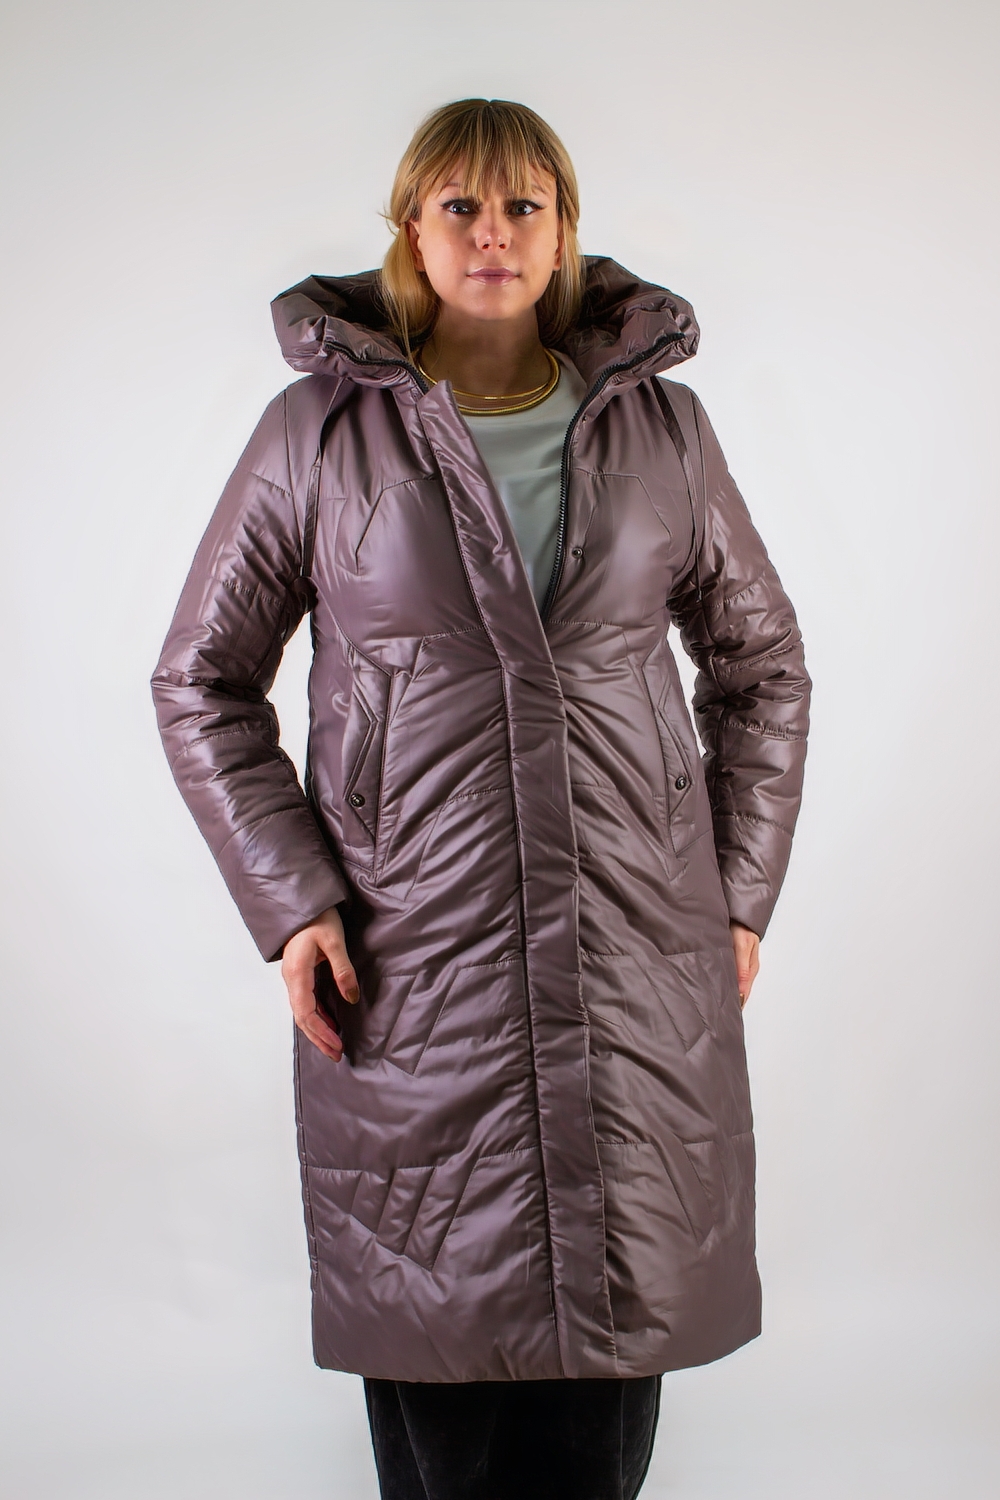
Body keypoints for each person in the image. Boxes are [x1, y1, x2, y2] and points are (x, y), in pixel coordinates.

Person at [151, 97, 811, 1500]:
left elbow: (761, 667)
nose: (493, 233)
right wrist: (294, 904)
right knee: (438, 1370)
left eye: (524, 205)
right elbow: (201, 678)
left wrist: (739, 892)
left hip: (635, 953)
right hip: (412, 954)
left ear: (565, 232)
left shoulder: (664, 431)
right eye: (460, 204)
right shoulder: (317, 434)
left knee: (606, 1382)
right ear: (412, 228)